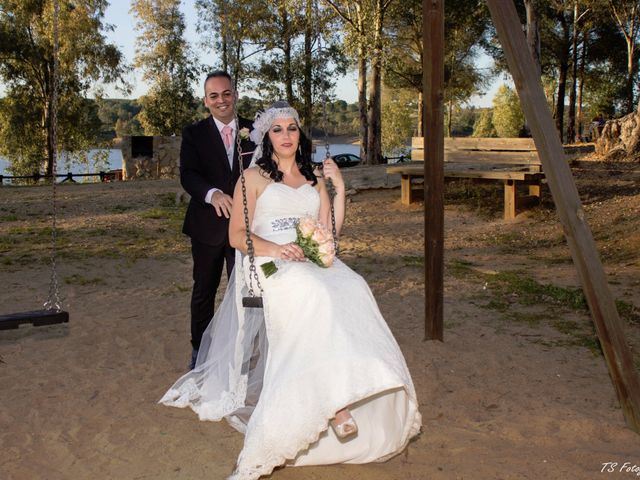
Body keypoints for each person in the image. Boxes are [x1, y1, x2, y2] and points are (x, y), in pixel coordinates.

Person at [161, 102, 421, 479]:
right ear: (267, 137)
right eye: (278, 129)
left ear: (301, 135)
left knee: (353, 286)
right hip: (268, 259)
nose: (286, 136)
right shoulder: (252, 179)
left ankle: (356, 380)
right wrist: (276, 249)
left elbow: (330, 231)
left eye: (292, 128)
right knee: (313, 293)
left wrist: (340, 189)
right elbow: (236, 235)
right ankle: (335, 406)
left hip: (312, 256)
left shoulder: (315, 176)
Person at [180, 71, 255, 369]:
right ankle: (200, 349)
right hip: (207, 226)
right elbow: (188, 174)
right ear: (205, 101)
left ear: (235, 95)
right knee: (204, 290)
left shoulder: (256, 130)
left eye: (226, 93)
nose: (221, 100)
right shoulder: (193, 134)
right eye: (214, 96)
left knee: (246, 290)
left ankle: (242, 349)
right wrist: (212, 194)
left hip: (247, 227)